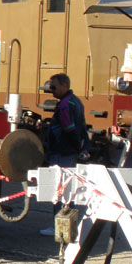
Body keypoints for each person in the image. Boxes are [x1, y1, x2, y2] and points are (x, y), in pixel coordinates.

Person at [39, 73, 89, 236]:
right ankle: (69, 227)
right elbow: (82, 128)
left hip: (63, 152)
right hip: (69, 151)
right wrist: (82, 147)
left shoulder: (65, 105)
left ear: (64, 86)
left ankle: (58, 227)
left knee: (59, 190)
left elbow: (69, 129)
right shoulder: (76, 101)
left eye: (54, 87)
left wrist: (74, 146)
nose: (51, 90)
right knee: (69, 191)